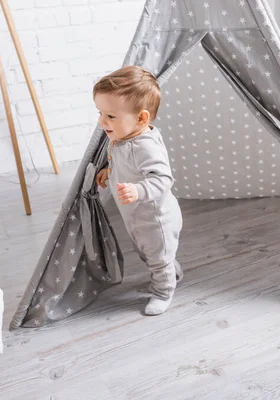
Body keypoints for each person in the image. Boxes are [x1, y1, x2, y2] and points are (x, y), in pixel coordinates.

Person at [93, 66, 183, 316]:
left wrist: (138, 189)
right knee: (149, 254)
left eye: (110, 116)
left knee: (157, 258)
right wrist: (109, 171)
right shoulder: (123, 137)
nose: (102, 121)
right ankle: (172, 270)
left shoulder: (144, 146)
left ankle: (164, 292)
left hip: (156, 219)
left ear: (141, 118)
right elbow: (124, 162)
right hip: (137, 217)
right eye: (100, 113)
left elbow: (163, 178)